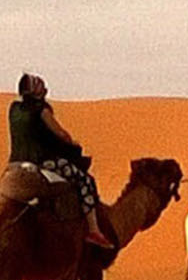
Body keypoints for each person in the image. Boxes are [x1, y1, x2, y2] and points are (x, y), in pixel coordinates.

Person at [6, 75, 113, 247]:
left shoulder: (13, 109)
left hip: (14, 165)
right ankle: (94, 230)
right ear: (36, 91)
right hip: (40, 163)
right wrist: (72, 143)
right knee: (84, 180)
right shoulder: (42, 110)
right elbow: (61, 134)